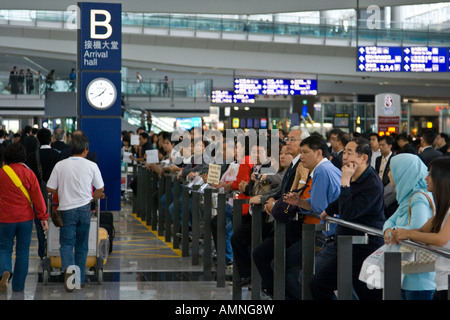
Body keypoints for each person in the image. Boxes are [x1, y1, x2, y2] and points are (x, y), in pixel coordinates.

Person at [309, 137, 386, 300]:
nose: (344, 157)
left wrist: (344, 182)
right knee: (318, 284)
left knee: (369, 295)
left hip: (365, 248)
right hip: (348, 246)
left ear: (363, 157)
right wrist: (328, 210)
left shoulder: (372, 183)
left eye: (349, 153)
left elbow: (348, 214)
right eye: (344, 152)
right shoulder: (354, 175)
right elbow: (343, 201)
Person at [282, 135, 341, 300]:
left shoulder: (321, 171)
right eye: (301, 152)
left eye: (305, 152)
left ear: (318, 153)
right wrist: (300, 201)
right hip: (330, 232)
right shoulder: (328, 168)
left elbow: (319, 208)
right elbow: (317, 204)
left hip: (326, 233)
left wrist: (302, 204)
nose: (301, 157)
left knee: (303, 275)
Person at [46, 133, 105, 291]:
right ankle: (80, 280)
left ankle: (70, 279)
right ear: (86, 150)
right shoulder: (91, 165)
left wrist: (64, 189)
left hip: (66, 209)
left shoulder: (60, 165)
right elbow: (100, 189)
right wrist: (91, 198)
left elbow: (50, 187)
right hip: (85, 209)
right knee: (82, 245)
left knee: (66, 244)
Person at [392, 157, 450, 300]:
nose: (426, 178)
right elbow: (422, 231)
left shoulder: (420, 198)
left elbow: (441, 239)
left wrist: (405, 233)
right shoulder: (443, 210)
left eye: (430, 174)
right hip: (441, 281)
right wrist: (400, 233)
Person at [382, 153, 436, 300]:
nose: (389, 174)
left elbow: (416, 231)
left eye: (392, 170)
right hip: (407, 272)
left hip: (418, 278)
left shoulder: (418, 198)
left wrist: (392, 233)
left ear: (404, 172)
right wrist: (391, 232)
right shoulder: (407, 197)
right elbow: (388, 223)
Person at [0, 143, 48, 292]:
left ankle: (4, 272)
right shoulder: (29, 173)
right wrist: (43, 217)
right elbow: (38, 197)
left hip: (4, 218)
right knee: (22, 252)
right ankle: (18, 286)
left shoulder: (1, 173)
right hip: (25, 219)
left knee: (4, 248)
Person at [26, 128, 63, 260]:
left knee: (40, 223)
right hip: (54, 196)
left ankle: (43, 252)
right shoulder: (57, 156)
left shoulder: (31, 157)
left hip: (37, 196)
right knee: (56, 221)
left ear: (38, 140)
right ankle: (55, 249)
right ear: (51, 139)